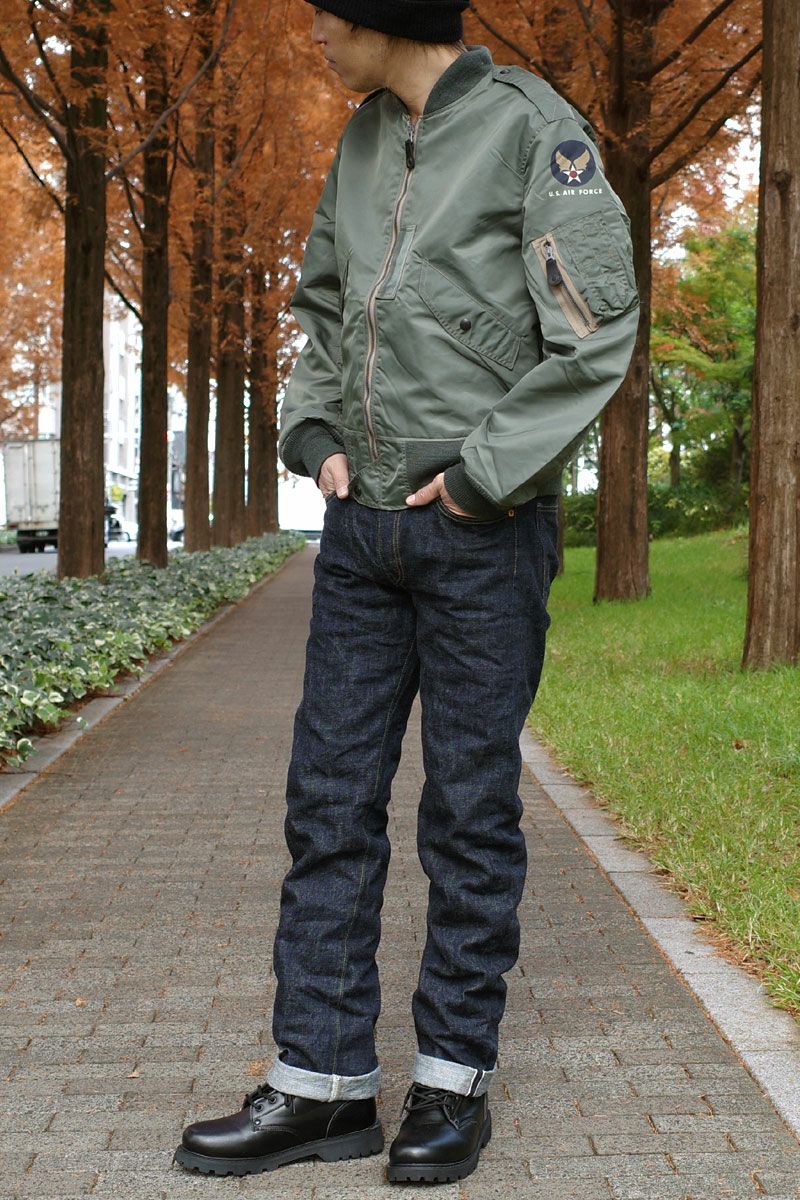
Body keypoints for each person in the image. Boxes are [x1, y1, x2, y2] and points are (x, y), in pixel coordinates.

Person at [174, 0, 639, 1185]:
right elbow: (326, 303)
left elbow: (591, 329)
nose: (312, 36)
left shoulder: (535, 132)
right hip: (360, 535)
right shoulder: (365, 135)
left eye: (324, 15)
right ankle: (321, 1087)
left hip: (481, 530)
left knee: (467, 813)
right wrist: (313, 430)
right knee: (326, 804)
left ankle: (450, 1084)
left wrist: (482, 480)